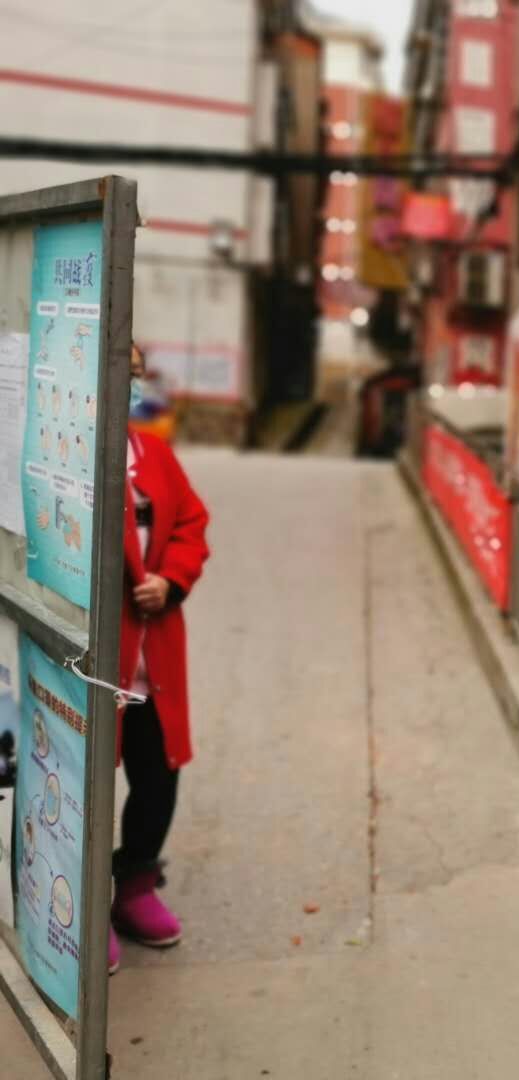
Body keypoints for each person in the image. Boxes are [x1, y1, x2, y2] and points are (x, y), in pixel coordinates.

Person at [110, 344, 210, 973]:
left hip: (155, 659)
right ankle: (79, 907)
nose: (131, 385)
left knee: (157, 778)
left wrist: (169, 580)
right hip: (91, 663)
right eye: (121, 370)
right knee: (80, 787)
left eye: (136, 375)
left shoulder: (153, 452)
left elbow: (191, 524)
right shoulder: (62, 458)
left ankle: (134, 887)